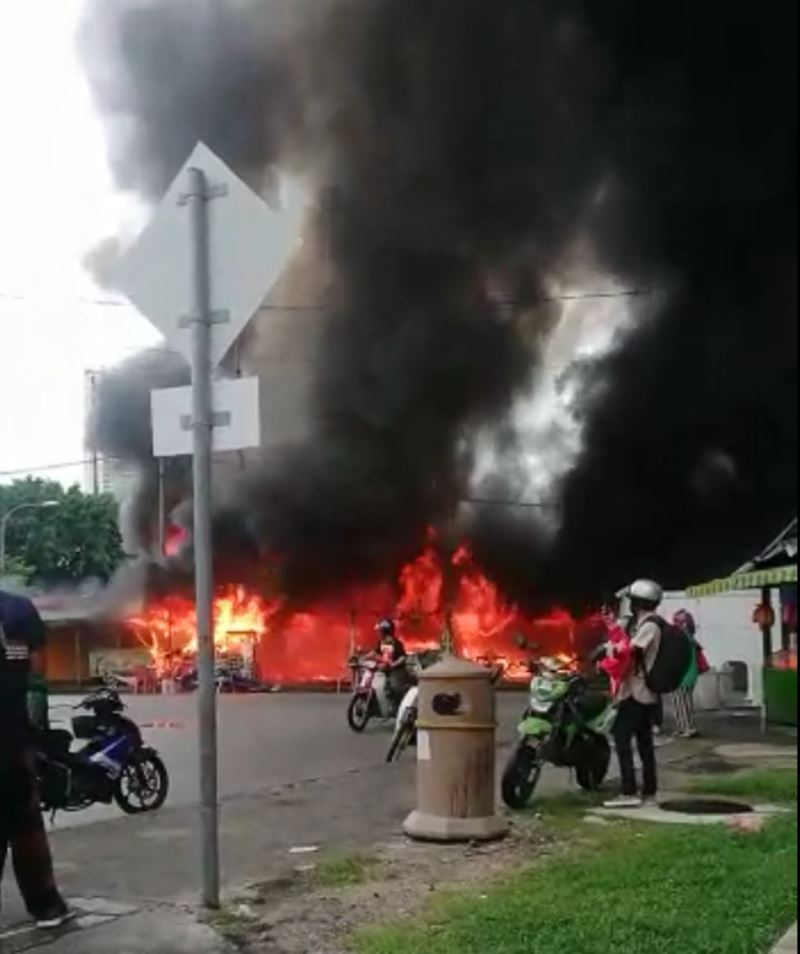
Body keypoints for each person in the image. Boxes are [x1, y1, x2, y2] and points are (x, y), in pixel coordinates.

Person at [0, 590, 73, 928]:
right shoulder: (18, 609)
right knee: (25, 825)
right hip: (13, 743)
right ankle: (46, 905)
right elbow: (37, 674)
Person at [603, 579, 663, 809]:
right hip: (639, 692)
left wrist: (609, 651)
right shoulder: (643, 623)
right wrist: (613, 628)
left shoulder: (650, 626)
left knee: (622, 738)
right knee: (644, 742)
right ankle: (649, 789)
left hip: (638, 693)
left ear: (637, 602)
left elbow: (630, 651)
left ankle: (629, 791)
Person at [671, 609, 701, 738]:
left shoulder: (682, 637)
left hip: (682, 675)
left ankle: (686, 728)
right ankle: (686, 727)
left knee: (680, 702)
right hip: (689, 674)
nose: (676, 623)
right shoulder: (690, 637)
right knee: (685, 702)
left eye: (678, 621)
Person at [374, 618, 411, 707]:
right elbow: (375, 653)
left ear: (385, 631)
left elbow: (402, 657)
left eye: (380, 631)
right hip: (386, 670)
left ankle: (399, 708)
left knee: (395, 689)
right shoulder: (381, 642)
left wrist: (394, 664)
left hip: (397, 671)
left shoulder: (397, 643)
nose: (379, 633)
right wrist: (363, 658)